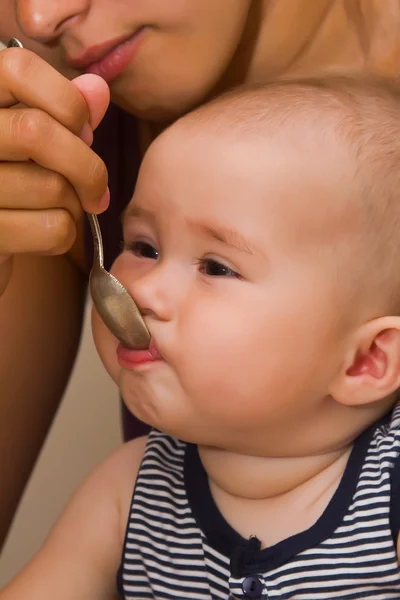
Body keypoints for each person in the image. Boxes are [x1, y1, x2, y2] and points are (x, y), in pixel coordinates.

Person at [2, 0, 400, 550]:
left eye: (216, 266)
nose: (39, 19)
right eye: (140, 246)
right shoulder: (52, 158)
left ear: (370, 358)